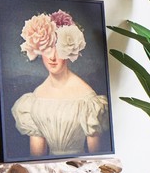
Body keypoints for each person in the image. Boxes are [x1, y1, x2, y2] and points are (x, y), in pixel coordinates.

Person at [11, 10, 109, 157]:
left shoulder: (88, 99)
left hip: (78, 171)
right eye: (46, 50)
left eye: (58, 50)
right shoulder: (34, 99)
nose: (52, 57)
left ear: (69, 51)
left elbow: (96, 158)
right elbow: (37, 157)